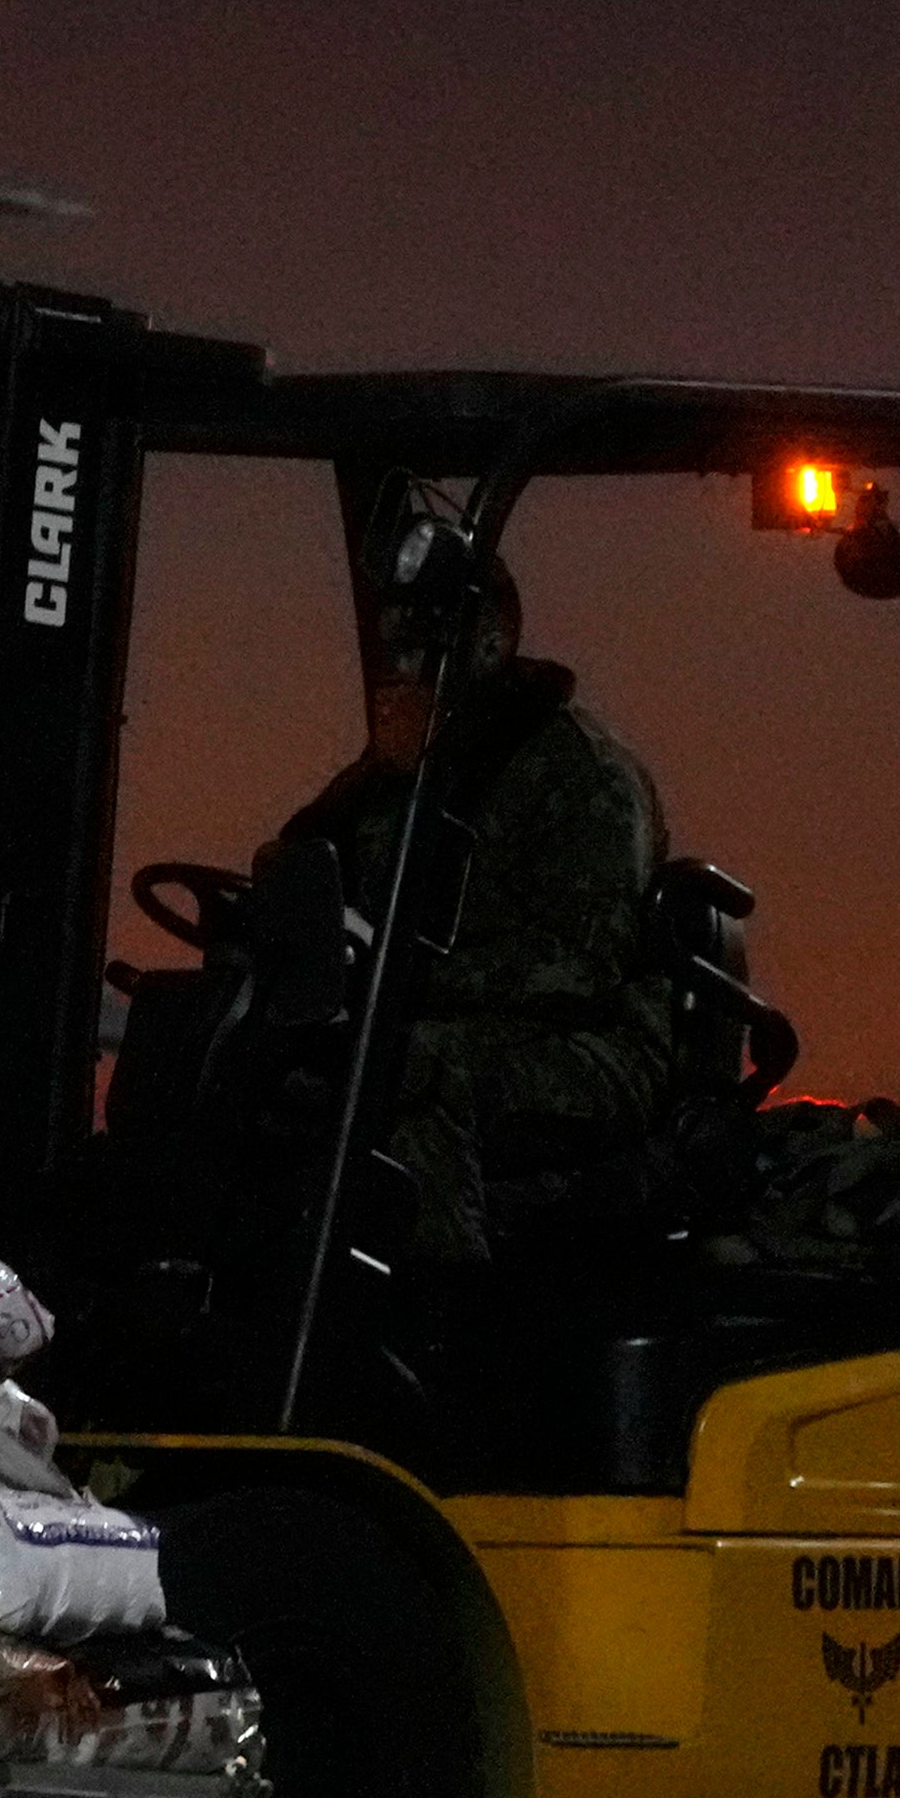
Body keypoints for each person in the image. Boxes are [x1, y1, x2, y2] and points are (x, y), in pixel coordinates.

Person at [261, 495, 692, 1268]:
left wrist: (398, 980)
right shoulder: (409, 777)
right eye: (393, 649)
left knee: (405, 1069)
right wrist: (365, 778)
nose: (400, 669)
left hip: (591, 1048)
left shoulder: (580, 775)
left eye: (420, 648)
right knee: (251, 1065)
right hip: (455, 1017)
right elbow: (295, 867)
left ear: (485, 647)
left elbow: (575, 970)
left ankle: (437, 1322)